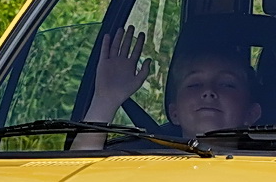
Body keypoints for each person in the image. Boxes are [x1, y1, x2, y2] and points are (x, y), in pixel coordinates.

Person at [71, 27, 261, 149]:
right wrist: (106, 100)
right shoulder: (144, 166)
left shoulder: (272, 173)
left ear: (252, 114)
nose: (208, 92)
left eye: (227, 85)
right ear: (174, 112)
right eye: (194, 84)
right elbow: (79, 179)